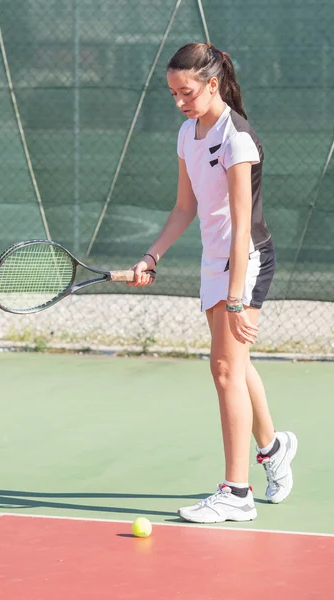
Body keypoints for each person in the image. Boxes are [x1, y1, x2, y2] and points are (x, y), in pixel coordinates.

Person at [128, 42, 298, 524]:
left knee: (224, 370)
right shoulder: (187, 134)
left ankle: (236, 492)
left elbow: (243, 224)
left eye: (187, 92)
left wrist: (237, 298)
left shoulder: (236, 138)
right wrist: (151, 255)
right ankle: (273, 448)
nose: (180, 101)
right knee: (236, 367)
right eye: (173, 93)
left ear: (212, 84)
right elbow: (186, 208)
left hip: (245, 260)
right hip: (213, 259)